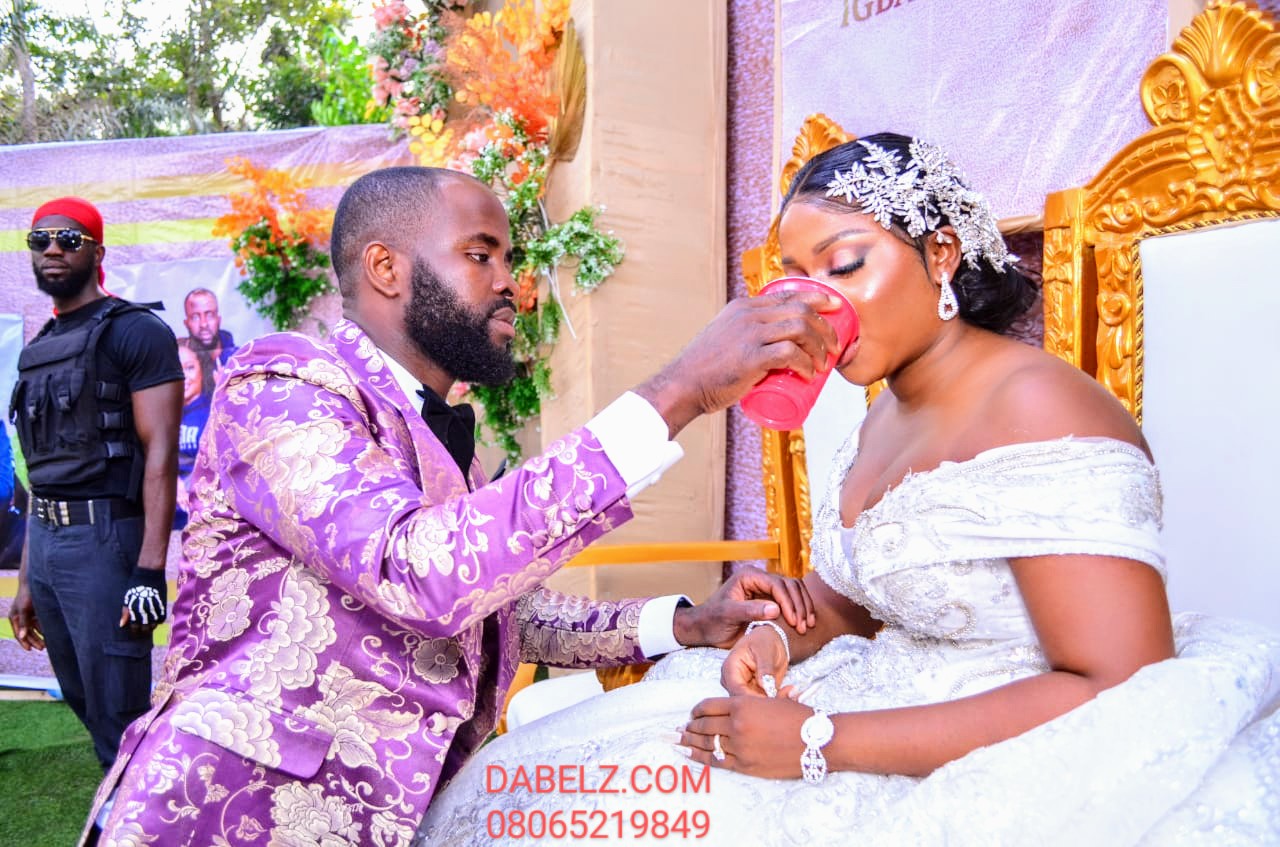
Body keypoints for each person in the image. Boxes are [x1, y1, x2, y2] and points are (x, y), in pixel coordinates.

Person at [416, 135, 1280, 846]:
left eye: (845, 266)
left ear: (940, 253)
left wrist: (823, 741)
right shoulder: (882, 412)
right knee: (538, 795)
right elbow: (861, 599)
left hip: (1010, 745)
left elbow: (1124, 683)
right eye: (796, 278)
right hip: (872, 688)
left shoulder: (1039, 405)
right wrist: (779, 638)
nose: (815, 307)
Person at [85, 166, 842, 846]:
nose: (511, 282)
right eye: (482, 255)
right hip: (231, 808)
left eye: (509, 259)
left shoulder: (443, 438)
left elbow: (496, 613)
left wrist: (682, 624)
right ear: (386, 267)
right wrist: (676, 393)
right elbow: (418, 572)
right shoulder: (280, 387)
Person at [6, 197, 183, 773]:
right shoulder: (37, 349)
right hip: (49, 545)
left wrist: (150, 571)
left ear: (98, 251)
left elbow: (161, 454)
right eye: (41, 240)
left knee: (119, 710)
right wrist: (27, 581)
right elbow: (40, 474)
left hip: (105, 543)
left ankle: (139, 810)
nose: (54, 248)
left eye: (70, 238)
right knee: (82, 697)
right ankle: (124, 799)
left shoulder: (136, 332)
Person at [172, 338, 215, 529]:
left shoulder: (213, 410)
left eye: (189, 368)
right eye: (177, 369)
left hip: (208, 520)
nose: (184, 377)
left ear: (202, 369)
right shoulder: (164, 415)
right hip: (173, 523)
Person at [182, 287, 237, 373]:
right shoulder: (176, 360)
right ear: (186, 323)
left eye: (210, 315)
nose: (203, 324)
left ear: (218, 320)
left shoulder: (239, 358)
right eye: (195, 317)